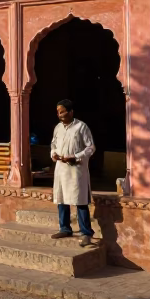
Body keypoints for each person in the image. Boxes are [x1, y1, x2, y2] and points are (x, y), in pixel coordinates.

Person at [49, 99, 96, 248]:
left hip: (76, 170)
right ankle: (65, 228)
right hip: (61, 169)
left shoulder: (81, 127)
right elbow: (53, 145)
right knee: (61, 198)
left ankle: (86, 233)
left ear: (71, 112)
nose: (59, 114)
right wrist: (54, 154)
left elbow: (91, 148)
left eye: (62, 111)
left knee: (79, 200)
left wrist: (75, 156)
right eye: (58, 112)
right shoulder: (58, 128)